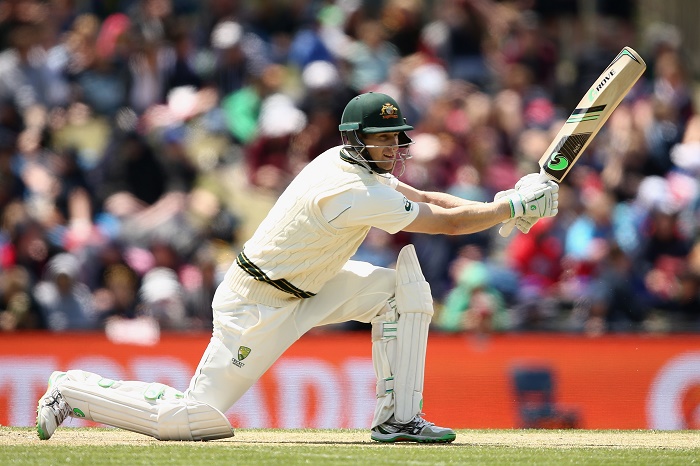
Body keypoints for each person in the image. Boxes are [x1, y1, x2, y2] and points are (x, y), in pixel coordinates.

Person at [36, 92, 558, 443]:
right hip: (258, 304)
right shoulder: (351, 190)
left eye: (396, 136)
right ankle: (72, 390)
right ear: (358, 140)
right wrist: (511, 210)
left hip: (315, 283)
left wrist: (504, 201)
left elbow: (427, 197)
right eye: (383, 139)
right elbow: (443, 225)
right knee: (194, 421)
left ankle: (399, 421)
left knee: (402, 290)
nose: (394, 147)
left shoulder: (352, 162)